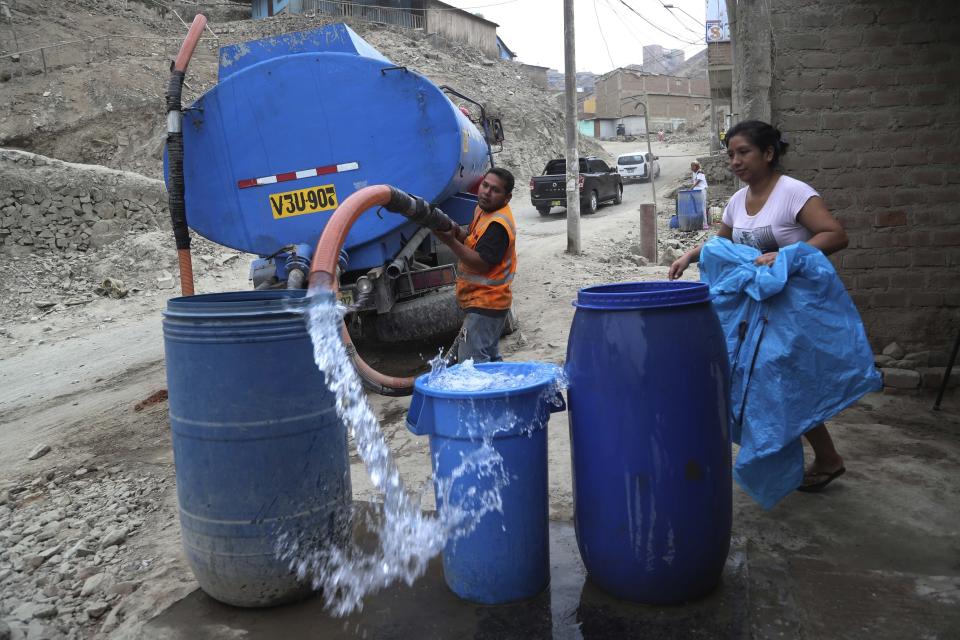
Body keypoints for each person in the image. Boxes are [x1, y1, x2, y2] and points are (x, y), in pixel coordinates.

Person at [669, 120, 850, 493]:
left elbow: (835, 234)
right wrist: (689, 254)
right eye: (731, 154)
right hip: (756, 311)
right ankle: (822, 457)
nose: (735, 161)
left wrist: (784, 255)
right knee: (775, 382)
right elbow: (721, 244)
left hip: (792, 309)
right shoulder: (738, 200)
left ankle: (807, 458)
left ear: (768, 153)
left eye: (743, 152)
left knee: (776, 381)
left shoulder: (794, 193)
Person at [434, 167, 517, 364]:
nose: (486, 192)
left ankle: (489, 395)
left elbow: (481, 263)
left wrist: (450, 242)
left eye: (495, 190)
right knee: (490, 358)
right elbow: (473, 241)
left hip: (487, 302)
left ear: (507, 197)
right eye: (485, 185)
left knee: (472, 364)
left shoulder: (499, 225)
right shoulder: (482, 210)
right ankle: (506, 393)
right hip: (483, 302)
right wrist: (457, 233)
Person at [689, 161, 709, 229]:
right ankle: (698, 223)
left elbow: (698, 181)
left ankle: (705, 224)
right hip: (696, 191)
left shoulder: (700, 172)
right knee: (697, 207)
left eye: (692, 166)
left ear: (696, 166)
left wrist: (691, 188)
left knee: (702, 207)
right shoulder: (694, 173)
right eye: (691, 166)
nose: (691, 167)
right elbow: (694, 181)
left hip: (701, 191)